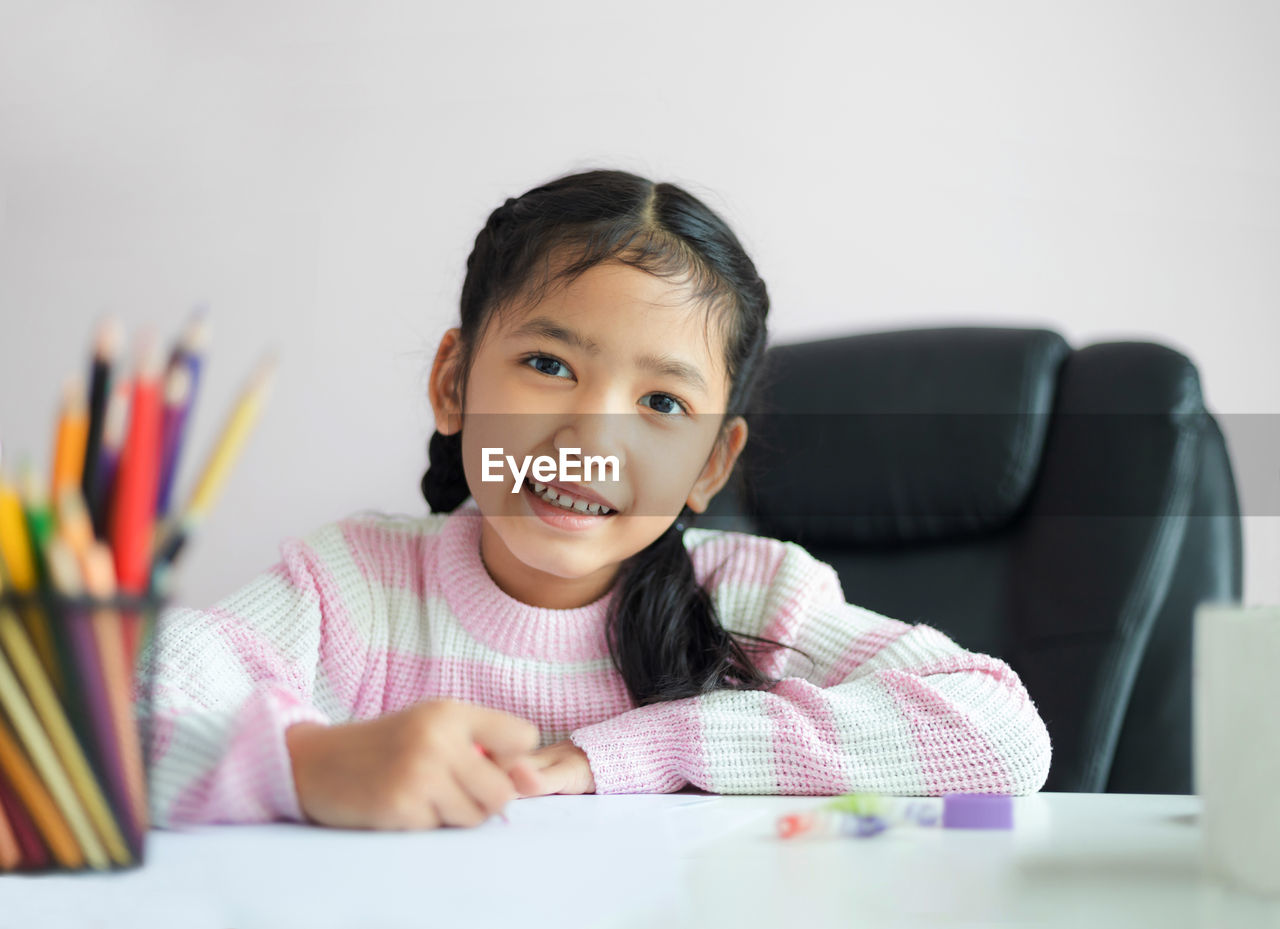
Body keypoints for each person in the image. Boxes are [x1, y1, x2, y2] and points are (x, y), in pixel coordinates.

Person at [139, 168, 1052, 831]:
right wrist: (308, 764)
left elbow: (1003, 733)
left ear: (710, 463)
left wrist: (624, 756)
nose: (593, 439)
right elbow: (120, 710)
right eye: (548, 365)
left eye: (662, 403)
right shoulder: (353, 586)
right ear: (454, 381)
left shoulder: (756, 599)